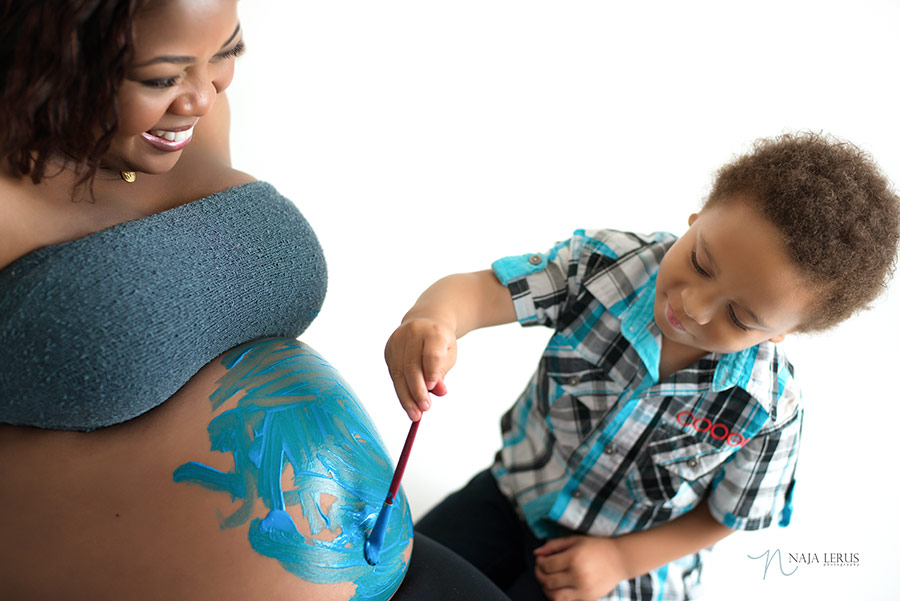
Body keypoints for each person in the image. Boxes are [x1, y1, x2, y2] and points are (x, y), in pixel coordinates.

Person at [0, 2, 511, 600]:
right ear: (51, 58)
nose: (200, 96)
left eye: (226, 53)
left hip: (407, 574)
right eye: (163, 77)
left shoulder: (182, 121)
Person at [384, 132, 900, 601]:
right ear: (698, 219)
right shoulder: (603, 264)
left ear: (782, 332)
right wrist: (435, 318)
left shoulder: (769, 409)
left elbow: (725, 516)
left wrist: (618, 560)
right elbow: (479, 293)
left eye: (740, 317)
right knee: (389, 574)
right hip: (514, 494)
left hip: (620, 566)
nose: (694, 306)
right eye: (700, 262)